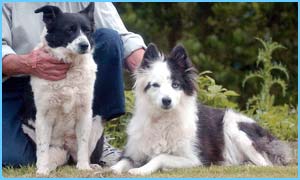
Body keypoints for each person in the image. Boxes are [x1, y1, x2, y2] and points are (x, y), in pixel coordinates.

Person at [2, 2, 146, 167]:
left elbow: (125, 39)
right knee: (13, 159)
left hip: (78, 69)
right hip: (16, 79)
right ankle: (55, 149)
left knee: (110, 40)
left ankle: (94, 140)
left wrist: (156, 76)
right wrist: (27, 63)